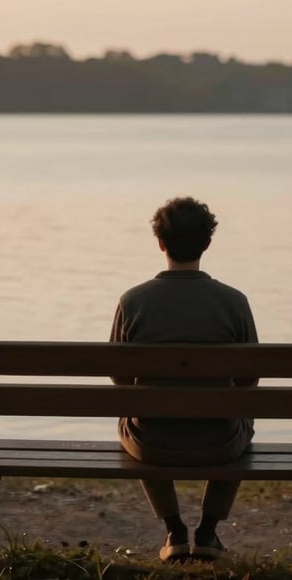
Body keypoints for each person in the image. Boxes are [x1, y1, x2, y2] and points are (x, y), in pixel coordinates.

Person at [109, 196, 258, 562]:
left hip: (152, 443)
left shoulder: (134, 302)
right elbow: (249, 381)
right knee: (244, 414)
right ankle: (207, 532)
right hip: (221, 442)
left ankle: (175, 530)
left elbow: (119, 377)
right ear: (207, 244)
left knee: (134, 414)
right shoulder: (233, 302)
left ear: (161, 243)